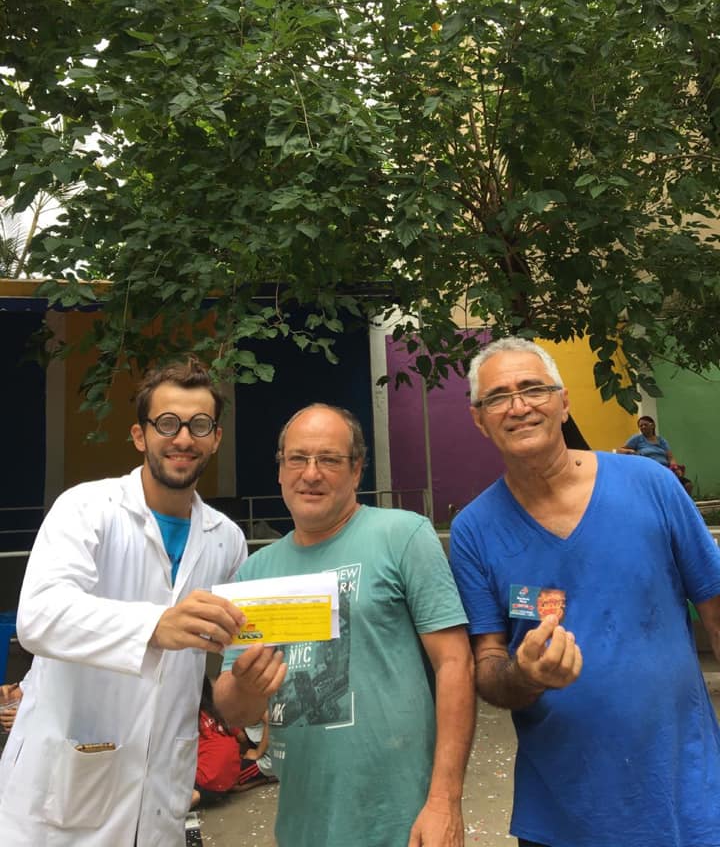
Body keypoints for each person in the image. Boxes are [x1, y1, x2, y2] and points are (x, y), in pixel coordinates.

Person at [0, 358, 286, 846]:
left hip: (161, 795)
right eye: (167, 423)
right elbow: (39, 617)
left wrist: (251, 684)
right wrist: (156, 625)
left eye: (199, 425)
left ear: (216, 438)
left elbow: (228, 667)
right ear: (140, 435)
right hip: (60, 795)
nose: (183, 439)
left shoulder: (226, 540)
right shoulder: (86, 509)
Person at [450, 336, 720, 847]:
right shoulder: (474, 531)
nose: (519, 406)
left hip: (685, 796)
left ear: (563, 401)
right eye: (498, 397)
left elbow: (715, 611)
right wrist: (524, 675)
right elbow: (487, 663)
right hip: (563, 814)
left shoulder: (651, 484)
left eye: (533, 389)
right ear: (479, 419)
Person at [214, 403, 475, 847]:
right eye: (297, 458)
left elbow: (456, 665)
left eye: (329, 459)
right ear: (280, 470)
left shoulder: (403, 535)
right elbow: (234, 710)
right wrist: (245, 684)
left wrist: (444, 802)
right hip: (302, 827)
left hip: (403, 823)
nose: (311, 473)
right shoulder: (255, 573)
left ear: (356, 471)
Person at [192, 676, 275, 810]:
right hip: (259, 746)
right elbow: (241, 737)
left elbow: (268, 721)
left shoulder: (245, 698)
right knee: (229, 779)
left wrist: (257, 753)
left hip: (270, 756)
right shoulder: (215, 709)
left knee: (231, 781)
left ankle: (271, 776)